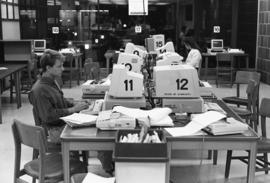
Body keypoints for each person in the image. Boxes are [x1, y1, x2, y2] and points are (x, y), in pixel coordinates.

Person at [29, 49, 89, 143]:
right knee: (91, 132)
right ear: (48, 68)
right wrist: (73, 109)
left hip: (60, 125)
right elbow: (48, 116)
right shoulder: (39, 90)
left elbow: (60, 101)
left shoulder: (52, 81)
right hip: (53, 132)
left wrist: (77, 103)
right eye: (59, 66)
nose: (63, 69)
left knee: (92, 124)